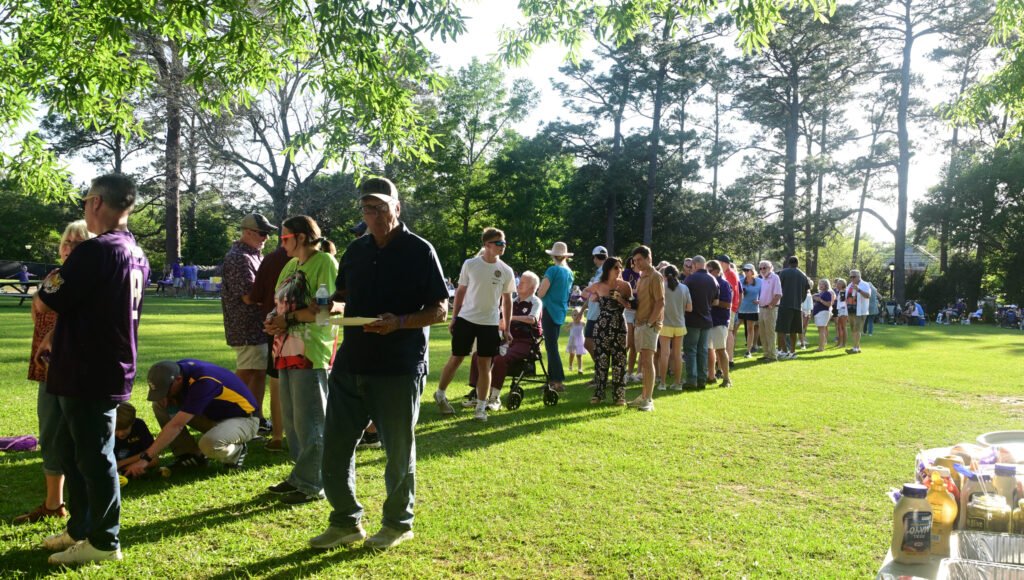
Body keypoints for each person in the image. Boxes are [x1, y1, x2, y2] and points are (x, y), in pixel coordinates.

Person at [312, 177, 448, 551]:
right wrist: (327, 307)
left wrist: (399, 322)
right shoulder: (356, 251)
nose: (372, 214)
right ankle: (345, 522)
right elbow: (341, 297)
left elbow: (440, 309)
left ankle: (397, 524)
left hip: (398, 366)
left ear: (396, 208)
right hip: (351, 363)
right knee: (335, 448)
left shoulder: (419, 250)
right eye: (366, 208)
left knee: (398, 452)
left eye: (379, 207)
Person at [32, 174, 149, 565]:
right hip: (98, 364)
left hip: (89, 368)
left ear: (97, 202)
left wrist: (50, 285)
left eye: (85, 201)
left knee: (95, 458)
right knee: (72, 452)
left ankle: (104, 540)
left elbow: (48, 297)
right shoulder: (134, 250)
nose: (84, 207)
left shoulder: (97, 249)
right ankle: (81, 528)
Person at [14, 220, 93, 525]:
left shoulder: (87, 279)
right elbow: (39, 312)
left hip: (74, 370)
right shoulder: (54, 276)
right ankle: (53, 504)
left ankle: (86, 507)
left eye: (78, 243)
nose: (69, 248)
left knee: (76, 438)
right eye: (66, 242)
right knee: (49, 434)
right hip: (46, 368)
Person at [263, 215, 338, 505]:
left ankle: (313, 483)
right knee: (293, 422)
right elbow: (279, 305)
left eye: (285, 238)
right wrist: (273, 320)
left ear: (302, 237)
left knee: (311, 422)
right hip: (284, 350)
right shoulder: (290, 265)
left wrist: (287, 319)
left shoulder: (324, 262)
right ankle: (300, 476)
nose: (281, 244)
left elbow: (323, 311)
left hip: (310, 352)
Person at [126, 359, 258, 480]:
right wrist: (168, 397)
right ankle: (189, 455)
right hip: (213, 415)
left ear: (178, 379)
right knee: (160, 404)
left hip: (244, 420)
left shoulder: (204, 382)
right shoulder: (178, 370)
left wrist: (145, 459)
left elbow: (176, 425)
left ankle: (236, 451)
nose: (164, 394)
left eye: (166, 390)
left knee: (209, 444)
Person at [434, 227, 514, 422]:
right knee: (457, 358)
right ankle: (440, 394)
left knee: (484, 365)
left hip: (490, 323)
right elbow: (460, 291)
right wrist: (454, 317)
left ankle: (481, 408)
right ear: (487, 244)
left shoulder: (506, 270)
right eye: (499, 243)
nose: (503, 246)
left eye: (504, 243)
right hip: (466, 319)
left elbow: (507, 300)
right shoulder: (470, 264)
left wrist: (507, 327)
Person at [222, 213, 277, 436]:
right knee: (248, 372)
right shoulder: (239, 257)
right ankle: (234, 416)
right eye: (262, 233)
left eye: (267, 233)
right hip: (246, 326)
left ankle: (255, 417)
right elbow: (248, 296)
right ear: (247, 232)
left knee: (258, 372)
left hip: (256, 325)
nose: (266, 238)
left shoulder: (253, 256)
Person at [467, 271, 544, 408]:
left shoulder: (535, 302)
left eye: (523, 283)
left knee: (500, 359)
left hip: (526, 342)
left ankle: (494, 398)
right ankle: (479, 395)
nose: (519, 284)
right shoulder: (512, 302)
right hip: (507, 340)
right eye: (520, 281)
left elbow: (532, 319)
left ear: (532, 288)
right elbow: (498, 320)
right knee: (478, 355)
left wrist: (510, 318)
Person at [247, 243, 290, 450]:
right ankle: (282, 435)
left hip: (278, 330)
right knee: (285, 382)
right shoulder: (318, 259)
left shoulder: (272, 258)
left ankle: (277, 435)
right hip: (298, 332)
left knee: (277, 381)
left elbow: (255, 295)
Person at [584, 257, 632, 404]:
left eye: (620, 267)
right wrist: (593, 296)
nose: (619, 270)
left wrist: (619, 298)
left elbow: (630, 305)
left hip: (619, 325)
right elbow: (584, 293)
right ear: (608, 269)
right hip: (602, 325)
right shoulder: (598, 285)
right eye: (615, 267)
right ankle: (599, 394)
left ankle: (619, 396)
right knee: (601, 360)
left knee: (619, 360)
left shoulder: (625, 285)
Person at [627, 246, 664, 412]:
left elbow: (660, 302)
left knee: (648, 363)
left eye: (640, 260)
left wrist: (650, 323)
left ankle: (648, 400)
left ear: (649, 258)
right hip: (640, 323)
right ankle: (643, 396)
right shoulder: (641, 276)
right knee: (644, 362)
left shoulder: (655, 276)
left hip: (649, 325)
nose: (637, 263)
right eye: (635, 261)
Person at [537, 241, 574, 393]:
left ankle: (557, 380)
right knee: (552, 345)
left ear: (553, 256)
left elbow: (541, 292)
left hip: (549, 310)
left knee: (551, 347)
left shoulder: (552, 270)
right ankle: (551, 380)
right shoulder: (569, 272)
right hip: (560, 311)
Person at [682, 255, 718, 388]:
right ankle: (702, 379)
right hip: (707, 319)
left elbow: (684, 299)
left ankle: (692, 380)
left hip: (692, 319)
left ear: (696, 265)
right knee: (703, 350)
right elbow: (716, 301)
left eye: (691, 265)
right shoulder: (713, 279)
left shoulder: (690, 279)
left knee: (691, 350)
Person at [657, 264, 691, 391]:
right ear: (677, 274)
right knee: (677, 355)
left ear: (664, 275)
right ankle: (677, 383)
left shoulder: (662, 287)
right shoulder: (684, 288)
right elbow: (689, 308)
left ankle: (662, 383)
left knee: (664, 354)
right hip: (680, 324)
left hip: (665, 324)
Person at [775, 256, 811, 360]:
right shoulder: (803, 275)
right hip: (797, 306)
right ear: (797, 263)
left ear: (788, 263)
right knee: (793, 330)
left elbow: (778, 287)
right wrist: (800, 300)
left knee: (781, 330)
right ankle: (792, 352)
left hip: (784, 304)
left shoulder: (783, 273)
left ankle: (784, 351)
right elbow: (806, 290)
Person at [706, 260, 733, 388]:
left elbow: (727, 304)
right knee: (708, 350)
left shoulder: (724, 284)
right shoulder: (707, 282)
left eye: (709, 271)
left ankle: (726, 379)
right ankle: (711, 376)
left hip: (719, 321)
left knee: (721, 350)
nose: (707, 273)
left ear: (717, 271)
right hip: (708, 321)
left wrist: (712, 302)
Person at [113, 403, 159, 477]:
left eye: (125, 428)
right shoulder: (106, 431)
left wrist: (122, 463)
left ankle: (125, 470)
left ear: (132, 422)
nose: (121, 434)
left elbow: (149, 452)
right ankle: (126, 470)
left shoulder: (139, 425)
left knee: (154, 460)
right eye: (116, 430)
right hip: (114, 462)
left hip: (135, 460)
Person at [582, 246, 609, 374]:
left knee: (590, 343)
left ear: (595, 258)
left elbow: (598, 292)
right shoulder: (600, 272)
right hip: (593, 313)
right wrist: (582, 310)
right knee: (591, 343)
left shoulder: (604, 272)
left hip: (598, 313)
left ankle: (601, 371)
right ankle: (600, 372)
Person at [716, 255, 741, 369]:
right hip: (730, 307)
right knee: (727, 332)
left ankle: (729, 359)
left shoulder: (729, 274)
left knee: (728, 332)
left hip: (729, 307)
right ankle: (726, 359)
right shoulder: (729, 273)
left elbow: (731, 292)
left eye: (719, 262)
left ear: (723, 263)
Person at [755, 260, 782, 363]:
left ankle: (772, 355)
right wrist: (760, 301)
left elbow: (778, 294)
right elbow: (766, 295)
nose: (762, 270)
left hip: (770, 309)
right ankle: (766, 354)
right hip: (762, 308)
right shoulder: (763, 279)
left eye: (764, 267)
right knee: (762, 333)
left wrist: (771, 305)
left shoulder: (775, 277)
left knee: (770, 332)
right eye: (760, 268)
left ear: (770, 268)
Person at [621, 257, 641, 383]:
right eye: (636, 260)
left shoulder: (644, 275)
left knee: (635, 345)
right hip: (627, 311)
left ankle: (629, 373)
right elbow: (621, 290)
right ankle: (621, 371)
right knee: (628, 343)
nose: (638, 263)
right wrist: (635, 291)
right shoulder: (627, 273)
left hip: (640, 311)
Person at [737, 264, 761, 358]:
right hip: (741, 308)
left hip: (752, 309)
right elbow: (736, 293)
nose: (746, 272)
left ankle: (748, 351)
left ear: (752, 271)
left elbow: (764, 293)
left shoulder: (759, 281)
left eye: (747, 270)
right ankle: (730, 349)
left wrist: (760, 301)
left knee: (750, 329)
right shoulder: (740, 281)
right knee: (734, 328)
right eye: (744, 270)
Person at [846, 269, 871, 354]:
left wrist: (859, 290)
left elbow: (868, 296)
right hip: (850, 310)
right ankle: (857, 347)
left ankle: (855, 348)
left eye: (854, 277)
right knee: (853, 329)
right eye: (850, 277)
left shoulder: (865, 284)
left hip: (860, 311)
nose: (852, 278)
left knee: (857, 330)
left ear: (859, 276)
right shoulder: (849, 285)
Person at [812, 279, 834, 352]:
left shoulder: (827, 293)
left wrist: (820, 300)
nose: (820, 285)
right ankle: (821, 346)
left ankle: (821, 347)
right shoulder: (821, 293)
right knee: (820, 330)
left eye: (822, 284)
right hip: (819, 313)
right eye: (820, 284)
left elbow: (829, 304)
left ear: (826, 285)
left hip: (823, 313)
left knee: (822, 330)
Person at [566, 306, 586, 374]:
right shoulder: (571, 324)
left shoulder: (582, 324)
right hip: (572, 340)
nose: (576, 316)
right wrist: (568, 327)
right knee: (572, 354)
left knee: (579, 355)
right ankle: (570, 365)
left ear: (581, 316)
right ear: (572, 316)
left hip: (580, 341)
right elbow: (566, 329)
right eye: (574, 315)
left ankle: (580, 369)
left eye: (578, 315)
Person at [834, 278, 849, 348]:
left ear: (843, 284)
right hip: (840, 310)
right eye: (837, 283)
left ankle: (843, 344)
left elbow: (844, 302)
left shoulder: (844, 291)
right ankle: (839, 342)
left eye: (839, 284)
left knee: (843, 327)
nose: (837, 285)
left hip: (843, 310)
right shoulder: (840, 291)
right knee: (839, 327)